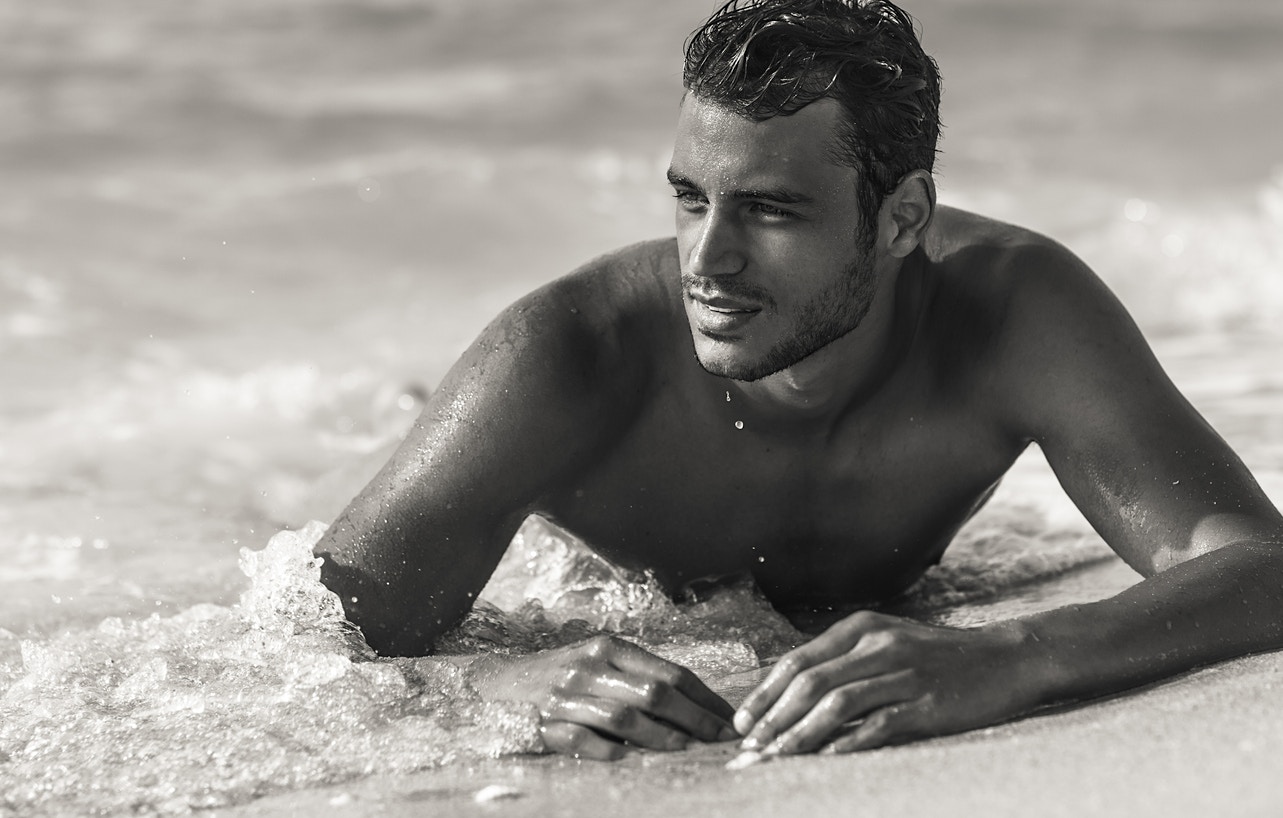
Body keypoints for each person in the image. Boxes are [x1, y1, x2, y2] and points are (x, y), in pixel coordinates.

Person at [313, 0, 1283, 761]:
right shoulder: (566, 355)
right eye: (689, 198)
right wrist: (501, 685)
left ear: (902, 219)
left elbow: (1261, 570)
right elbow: (302, 643)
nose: (706, 259)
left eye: (769, 211)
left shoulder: (1012, 314)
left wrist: (1015, 654)